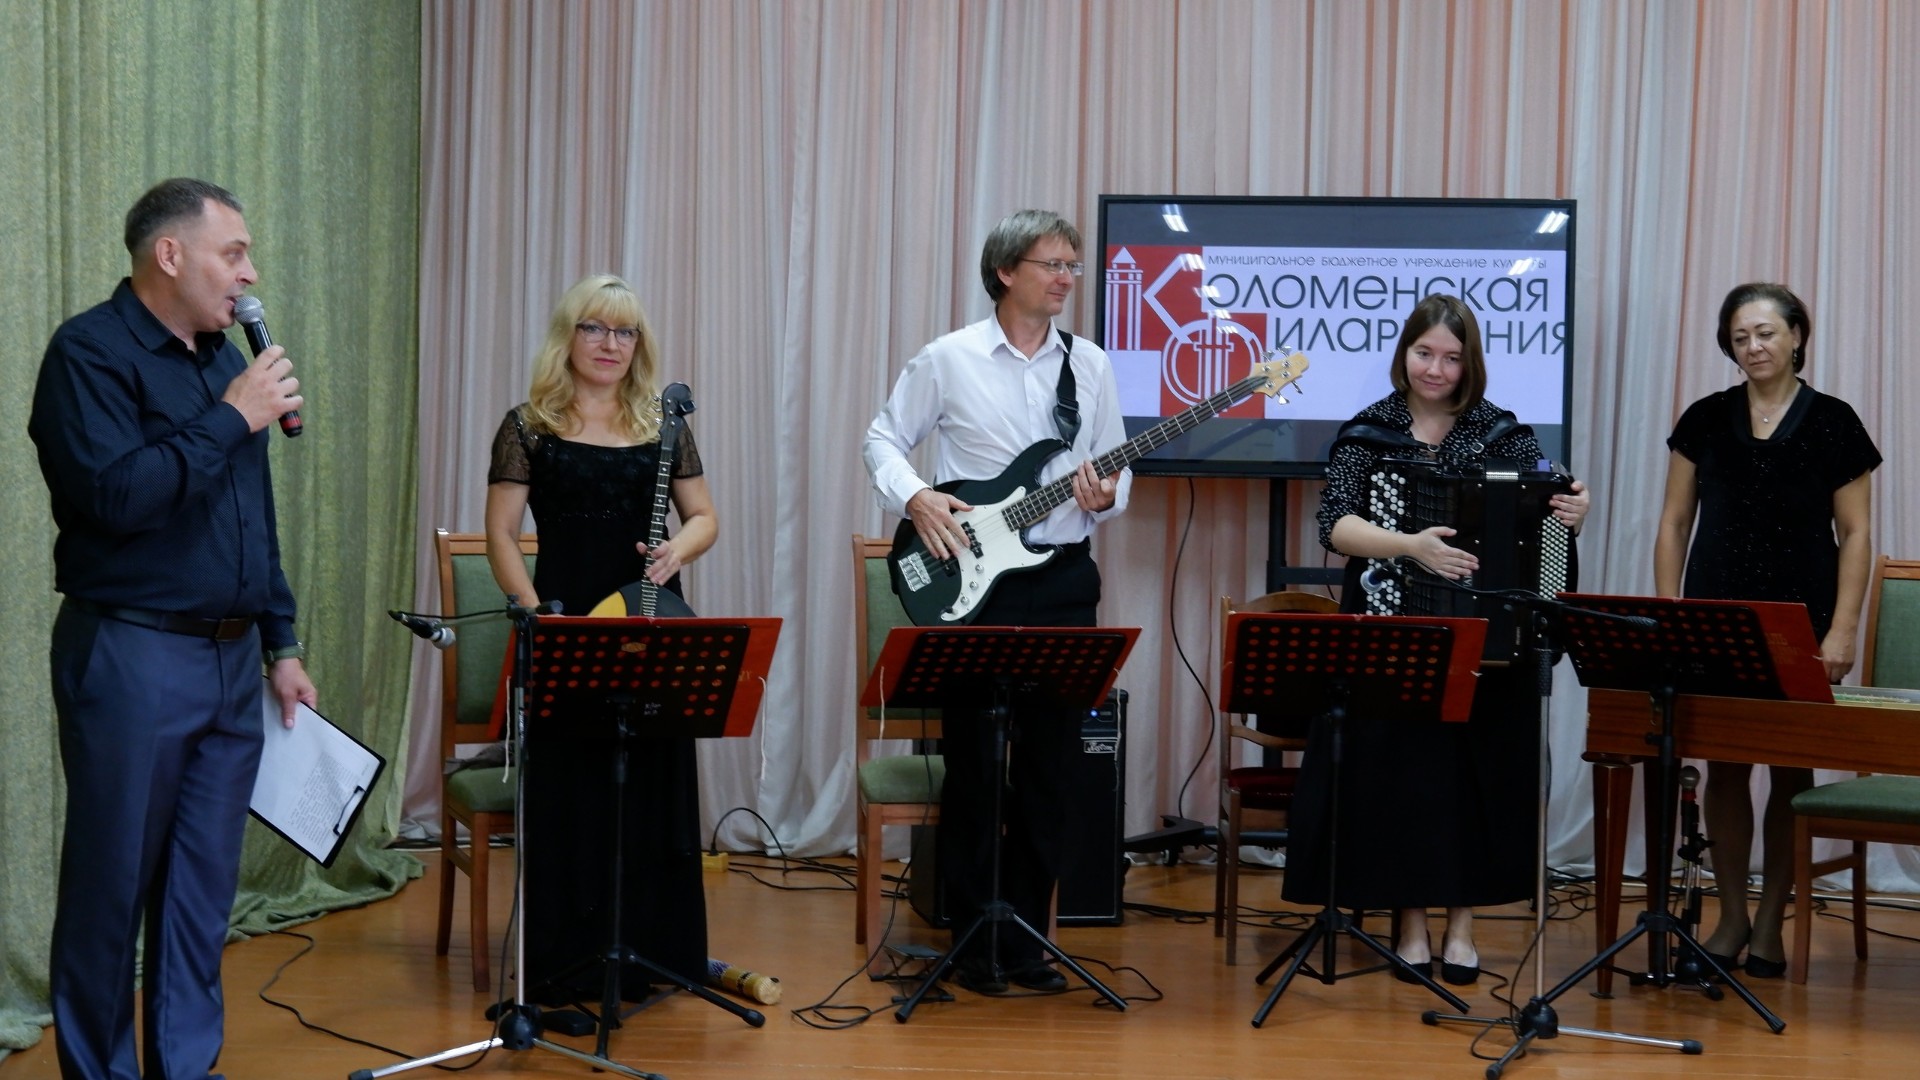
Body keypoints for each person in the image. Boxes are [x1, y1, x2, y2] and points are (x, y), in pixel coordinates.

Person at [29, 177, 317, 1080]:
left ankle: (186, 1069)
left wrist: (282, 641)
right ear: (169, 254)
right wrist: (232, 418)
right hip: (133, 651)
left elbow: (251, 517)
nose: (250, 273)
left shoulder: (221, 363)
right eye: (234, 253)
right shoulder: (89, 353)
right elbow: (115, 496)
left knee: (200, 896)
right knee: (112, 886)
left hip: (232, 663)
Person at [1283, 294, 1590, 986]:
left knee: (1472, 779)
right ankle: (1412, 922)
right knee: (1406, 778)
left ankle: (1462, 925)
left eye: (1451, 358)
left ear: (1468, 363)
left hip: (1487, 643)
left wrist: (1575, 507)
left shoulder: (1502, 433)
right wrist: (1411, 546)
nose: (1436, 369)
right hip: (1393, 632)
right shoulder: (1369, 433)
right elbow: (1336, 526)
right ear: (1405, 353)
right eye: (1424, 353)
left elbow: (1548, 504)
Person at [862, 209, 1130, 994]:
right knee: (976, 763)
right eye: (1053, 264)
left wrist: (1108, 494)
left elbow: (1116, 473)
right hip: (973, 587)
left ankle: (1025, 941)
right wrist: (917, 497)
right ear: (1007, 271)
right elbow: (882, 439)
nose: (1067, 278)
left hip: (1063, 580)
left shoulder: (1090, 365)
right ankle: (974, 937)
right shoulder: (948, 358)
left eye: (1073, 265)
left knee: (1054, 768)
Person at [484, 273, 718, 1000]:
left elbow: (704, 518)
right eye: (595, 327)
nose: (610, 344)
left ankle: (651, 957)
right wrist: (538, 616)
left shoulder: (663, 425)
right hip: (567, 625)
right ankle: (568, 964)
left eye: (625, 331)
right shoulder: (529, 426)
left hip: (651, 623)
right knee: (573, 792)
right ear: (568, 336)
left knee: (651, 785)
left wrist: (678, 551)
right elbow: (500, 534)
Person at [1654, 282, 1879, 979]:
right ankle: (1730, 916)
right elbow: (1674, 523)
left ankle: (1773, 923)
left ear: (1796, 336)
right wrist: (1670, 615)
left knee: (1790, 769)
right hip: (1715, 617)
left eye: (1766, 333)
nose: (1753, 347)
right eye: (1740, 337)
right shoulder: (1704, 418)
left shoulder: (1835, 422)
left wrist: (1843, 631)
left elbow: (1857, 534)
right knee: (1725, 766)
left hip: (1803, 622)